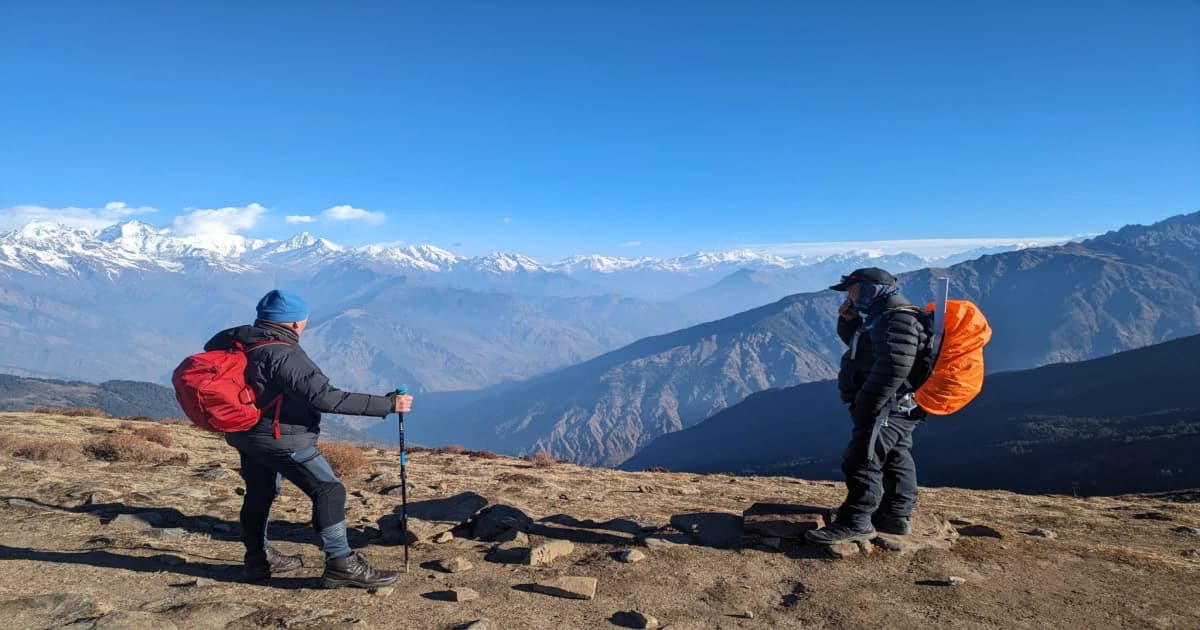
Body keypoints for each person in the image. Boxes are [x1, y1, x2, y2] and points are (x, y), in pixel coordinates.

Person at [204, 289, 414, 588]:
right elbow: (325, 398)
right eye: (303, 321)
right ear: (293, 323)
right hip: (281, 439)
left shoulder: (231, 340)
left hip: (243, 432)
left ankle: (257, 560)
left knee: (259, 492)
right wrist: (389, 405)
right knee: (329, 490)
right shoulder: (283, 354)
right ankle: (342, 564)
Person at [805, 268, 929, 545]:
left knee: (862, 458)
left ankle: (856, 521)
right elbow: (864, 349)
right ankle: (895, 515)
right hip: (901, 403)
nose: (849, 296)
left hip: (890, 404)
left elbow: (894, 367)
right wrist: (847, 322)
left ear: (870, 289)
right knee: (895, 453)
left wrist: (868, 405)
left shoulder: (897, 319)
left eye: (853, 290)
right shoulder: (882, 316)